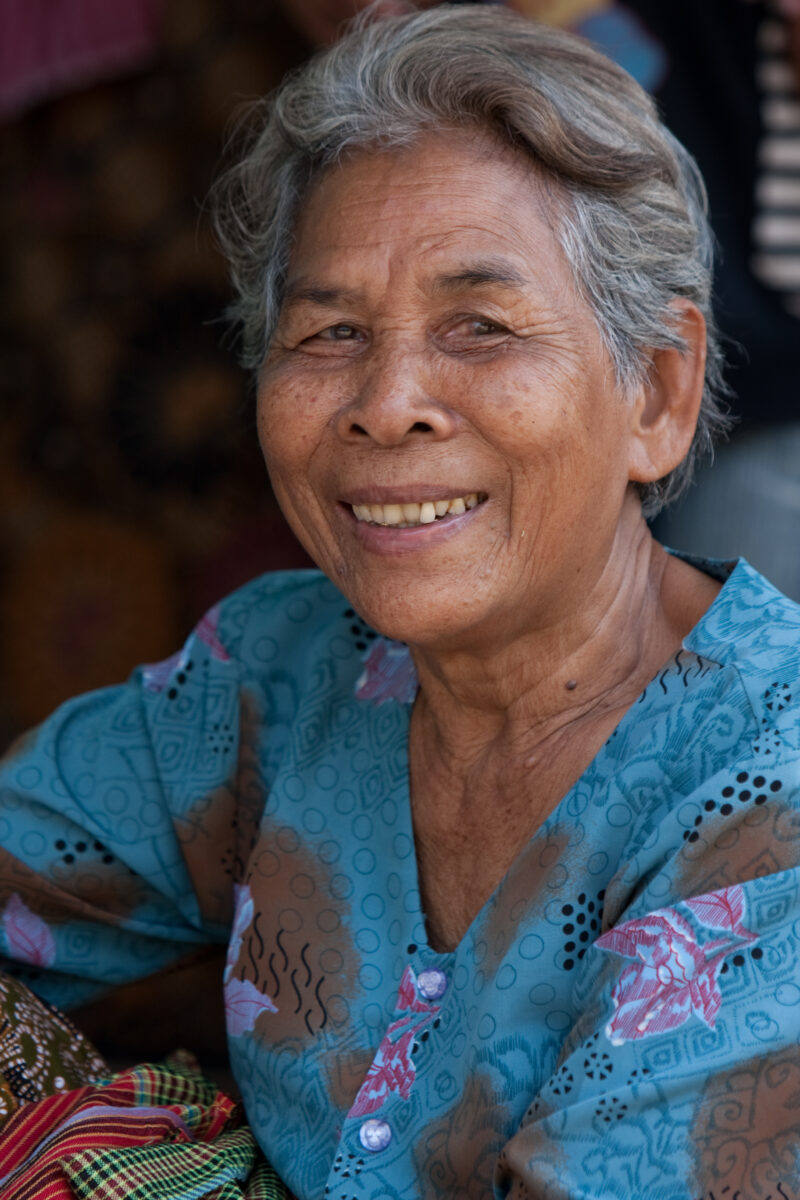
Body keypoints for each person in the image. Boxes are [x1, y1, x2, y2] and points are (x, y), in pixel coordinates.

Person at [1, 5, 800, 1197]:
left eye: (477, 326)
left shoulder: (765, 816)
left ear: (656, 393)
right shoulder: (273, 673)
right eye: (327, 331)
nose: (387, 402)